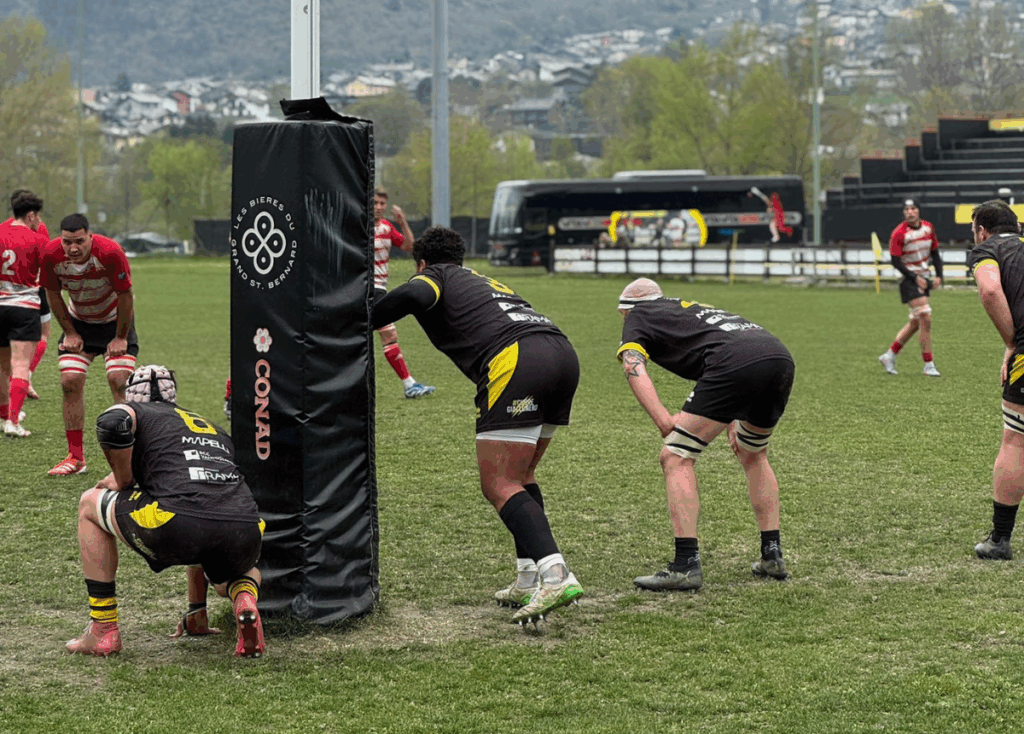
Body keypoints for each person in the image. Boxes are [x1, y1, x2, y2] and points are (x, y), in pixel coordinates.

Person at [372, 226, 584, 624]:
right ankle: (527, 578)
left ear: (421, 263)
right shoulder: (478, 278)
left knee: (498, 483)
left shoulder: (434, 276)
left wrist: (366, 312)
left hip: (519, 358)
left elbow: (417, 295)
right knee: (521, 475)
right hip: (561, 353)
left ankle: (555, 574)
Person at [66, 365, 266, 658]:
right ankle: (244, 598)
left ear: (132, 396)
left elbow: (113, 421)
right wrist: (196, 610)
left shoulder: (135, 412)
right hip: (245, 527)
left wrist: (122, 479)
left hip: (178, 521)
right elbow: (202, 498)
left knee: (88, 505)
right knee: (234, 566)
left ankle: (103, 629)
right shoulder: (210, 426)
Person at [616, 277, 795, 591]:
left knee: (675, 456)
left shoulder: (639, 316)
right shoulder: (686, 308)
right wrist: (729, 418)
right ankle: (772, 554)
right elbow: (722, 350)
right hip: (777, 355)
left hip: (736, 362)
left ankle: (685, 564)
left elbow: (633, 363)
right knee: (753, 452)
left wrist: (662, 419)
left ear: (626, 309)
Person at [40, 213, 139, 475]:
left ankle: (131, 459)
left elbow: (125, 295)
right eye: (67, 242)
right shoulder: (50, 255)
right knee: (69, 381)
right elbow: (53, 294)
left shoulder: (110, 252)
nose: (73, 248)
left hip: (114, 323)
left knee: (119, 380)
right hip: (79, 321)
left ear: (90, 237)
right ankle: (76, 458)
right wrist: (70, 332)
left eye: (80, 241)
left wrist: (120, 337)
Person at [967, 200, 1024, 561]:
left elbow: (989, 290)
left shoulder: (987, 250)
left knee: (1015, 438)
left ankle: (999, 539)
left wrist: (1012, 342)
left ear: (982, 231)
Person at [373, 187, 435, 399]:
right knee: (389, 334)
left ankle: (410, 385)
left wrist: (402, 222)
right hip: (368, 289)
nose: (379, 207)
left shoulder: (387, 228)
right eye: (375, 203)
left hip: (378, 289)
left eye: (382, 204)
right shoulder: (358, 228)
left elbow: (410, 246)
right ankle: (409, 385)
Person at [877, 199, 943, 377]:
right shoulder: (899, 233)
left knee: (916, 322)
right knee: (925, 316)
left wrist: (939, 275)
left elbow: (935, 253)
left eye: (913, 208)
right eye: (907, 209)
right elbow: (895, 262)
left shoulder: (928, 228)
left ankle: (889, 355)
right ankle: (928, 364)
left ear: (919, 210)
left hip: (924, 277)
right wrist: (914, 277)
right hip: (908, 279)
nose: (910, 212)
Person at [0, 191, 48, 436]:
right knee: (19, 364)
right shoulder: (37, 240)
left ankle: (2, 415)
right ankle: (13, 422)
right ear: (30, 215)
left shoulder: (0, 232)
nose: (38, 221)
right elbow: (48, 276)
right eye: (37, 216)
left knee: (1, 366)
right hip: (24, 307)